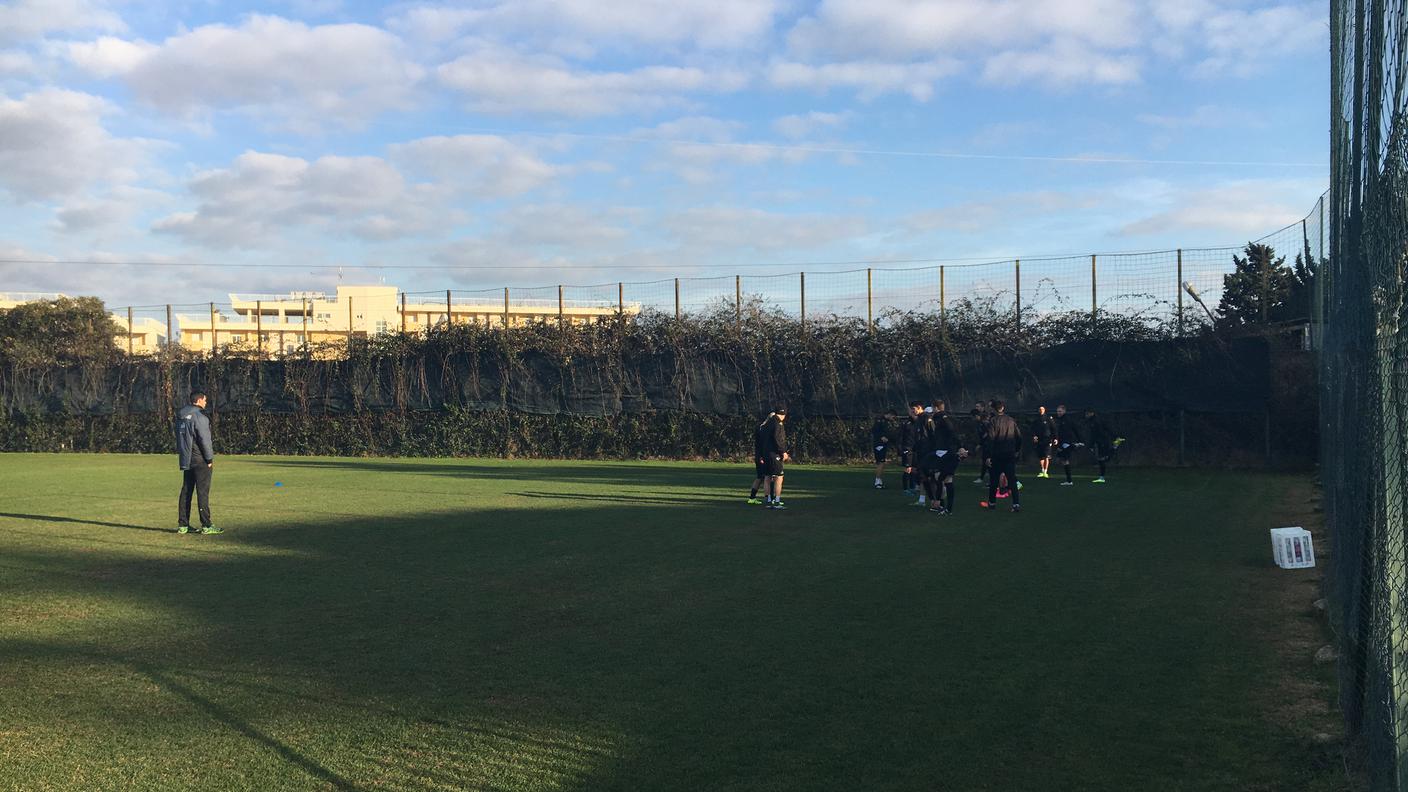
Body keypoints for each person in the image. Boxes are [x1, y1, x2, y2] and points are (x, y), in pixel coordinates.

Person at [175, 390, 219, 534]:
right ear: (199, 401)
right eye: (205, 400)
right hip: (200, 459)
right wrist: (209, 459)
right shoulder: (199, 417)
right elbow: (204, 440)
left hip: (187, 458)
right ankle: (206, 525)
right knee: (202, 492)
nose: (206, 402)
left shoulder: (181, 416)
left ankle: (183, 525)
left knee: (186, 490)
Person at [927, 399, 966, 515]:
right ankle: (946, 507)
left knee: (941, 478)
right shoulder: (938, 418)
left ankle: (943, 506)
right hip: (943, 451)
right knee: (944, 479)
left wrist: (960, 447)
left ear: (935, 408)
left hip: (945, 452)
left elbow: (951, 431)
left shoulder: (942, 418)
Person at [982, 400, 1022, 512]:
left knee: (994, 480)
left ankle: (992, 503)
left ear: (994, 409)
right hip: (1009, 454)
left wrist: (988, 456)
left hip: (997, 454)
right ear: (1003, 408)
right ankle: (1016, 504)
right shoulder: (1011, 420)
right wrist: (1017, 450)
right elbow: (1019, 437)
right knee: (1012, 480)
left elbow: (990, 439)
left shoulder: (993, 421)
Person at [761, 406, 791, 510]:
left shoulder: (767, 423)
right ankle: (776, 501)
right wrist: (783, 452)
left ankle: (768, 500)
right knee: (779, 477)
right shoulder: (778, 424)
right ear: (783, 414)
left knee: (768, 476)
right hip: (774, 454)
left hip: (766, 454)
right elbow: (778, 439)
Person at [747, 410, 776, 504]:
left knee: (761, 477)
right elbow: (762, 445)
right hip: (762, 456)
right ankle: (769, 498)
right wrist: (761, 457)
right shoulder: (764, 429)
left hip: (760, 455)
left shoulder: (761, 427)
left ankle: (753, 497)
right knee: (766, 477)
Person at [1084, 407, 1117, 484]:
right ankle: (1101, 477)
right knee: (1102, 459)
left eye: (1087, 413)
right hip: (1101, 441)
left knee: (1103, 459)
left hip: (1101, 441)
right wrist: (1114, 436)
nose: (1086, 415)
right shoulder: (1095, 421)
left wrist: (1091, 445)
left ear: (1092, 413)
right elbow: (1107, 428)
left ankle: (1102, 477)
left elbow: (1095, 434)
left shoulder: (1095, 422)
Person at [1053, 403, 1082, 486]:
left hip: (1066, 443)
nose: (1058, 413)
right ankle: (1069, 480)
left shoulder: (1065, 420)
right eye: (1058, 411)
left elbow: (1066, 433)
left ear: (1064, 411)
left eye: (1060, 411)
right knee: (1063, 460)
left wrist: (1062, 445)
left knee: (1065, 460)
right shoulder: (1062, 420)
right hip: (1065, 443)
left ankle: (1069, 481)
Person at [899, 401, 923, 496]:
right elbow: (900, 438)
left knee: (914, 469)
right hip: (907, 448)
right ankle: (906, 489)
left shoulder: (920, 423)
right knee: (907, 468)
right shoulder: (906, 423)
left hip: (916, 449)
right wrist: (900, 451)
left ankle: (913, 487)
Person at [1031, 405, 1056, 478]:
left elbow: (1053, 429)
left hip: (1047, 440)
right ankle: (1042, 471)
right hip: (1039, 440)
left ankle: (1046, 472)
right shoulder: (1036, 420)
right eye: (1040, 409)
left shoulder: (1049, 418)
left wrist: (1055, 438)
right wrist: (1034, 436)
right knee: (1041, 456)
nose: (1041, 410)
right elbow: (1033, 429)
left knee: (1046, 456)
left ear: (1044, 410)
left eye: (1042, 409)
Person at [870, 413, 892, 489]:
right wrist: (881, 437)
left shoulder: (885, 422)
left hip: (882, 444)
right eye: (893, 417)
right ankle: (877, 481)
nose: (893, 418)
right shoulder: (880, 421)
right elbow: (874, 431)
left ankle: (879, 480)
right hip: (879, 445)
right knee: (881, 463)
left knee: (882, 463)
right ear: (890, 414)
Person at [970, 403, 990, 485]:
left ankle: (1016, 485)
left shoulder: (984, 424)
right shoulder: (982, 424)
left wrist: (981, 443)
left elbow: (987, 434)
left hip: (990, 446)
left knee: (1003, 468)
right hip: (988, 445)